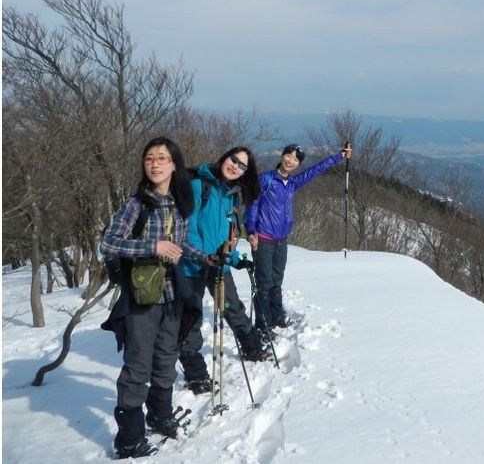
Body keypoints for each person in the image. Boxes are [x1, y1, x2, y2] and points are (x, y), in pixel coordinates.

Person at [100, 137, 217, 459]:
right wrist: (151, 247)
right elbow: (108, 245)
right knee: (138, 364)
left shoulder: (179, 204)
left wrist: (205, 257)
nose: (154, 163)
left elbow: (178, 247)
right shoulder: (135, 204)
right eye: (149, 158)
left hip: (173, 295)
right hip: (142, 296)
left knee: (166, 357)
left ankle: (160, 414)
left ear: (174, 165)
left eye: (161, 158)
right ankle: (129, 437)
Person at [178, 146, 270, 395]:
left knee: (231, 306)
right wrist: (205, 256)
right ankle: (196, 375)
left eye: (242, 166)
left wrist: (235, 259)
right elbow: (189, 229)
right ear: (224, 157)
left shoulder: (231, 194)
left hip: (218, 262)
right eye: (233, 160)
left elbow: (224, 236)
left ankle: (251, 347)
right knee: (191, 319)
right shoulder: (199, 185)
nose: (235, 166)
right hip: (191, 265)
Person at [245, 143, 352, 333]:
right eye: (289, 155)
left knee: (277, 280)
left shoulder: (292, 184)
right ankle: (263, 325)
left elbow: (316, 170)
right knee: (264, 283)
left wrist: (339, 157)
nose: (290, 161)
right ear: (282, 155)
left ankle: (277, 317)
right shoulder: (266, 179)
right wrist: (251, 231)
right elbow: (252, 206)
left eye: (295, 159)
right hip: (263, 238)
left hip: (281, 240)